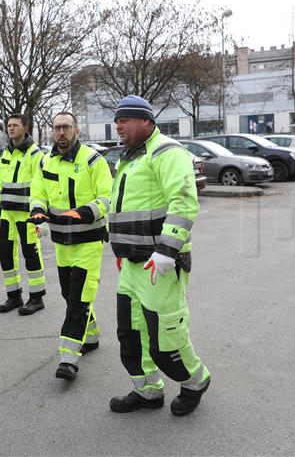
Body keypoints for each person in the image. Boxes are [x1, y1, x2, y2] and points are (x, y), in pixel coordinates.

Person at [107, 95, 210, 416]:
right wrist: (121, 249)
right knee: (131, 337)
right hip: (132, 266)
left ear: (147, 121)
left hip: (159, 265)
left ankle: (196, 381)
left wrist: (168, 250)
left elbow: (183, 200)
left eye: (125, 119)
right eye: (117, 120)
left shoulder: (166, 151)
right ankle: (148, 391)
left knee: (166, 343)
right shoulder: (130, 157)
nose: (118, 125)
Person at [29, 111, 112, 381]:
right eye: (57, 128)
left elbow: (107, 197)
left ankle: (68, 358)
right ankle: (91, 336)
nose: (61, 132)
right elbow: (38, 192)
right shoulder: (46, 162)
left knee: (77, 299)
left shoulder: (93, 160)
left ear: (77, 130)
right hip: (61, 243)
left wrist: (86, 212)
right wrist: (39, 211)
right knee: (69, 294)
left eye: (66, 127)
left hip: (88, 241)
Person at [0, 114, 47, 315]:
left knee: (30, 253)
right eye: (9, 125)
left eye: (15, 125)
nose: (11, 128)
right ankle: (14, 296)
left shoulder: (34, 154)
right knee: (5, 253)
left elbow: (41, 186)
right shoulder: (7, 153)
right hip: (7, 213)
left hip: (27, 215)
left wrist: (40, 216)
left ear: (26, 128)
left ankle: (37, 297)